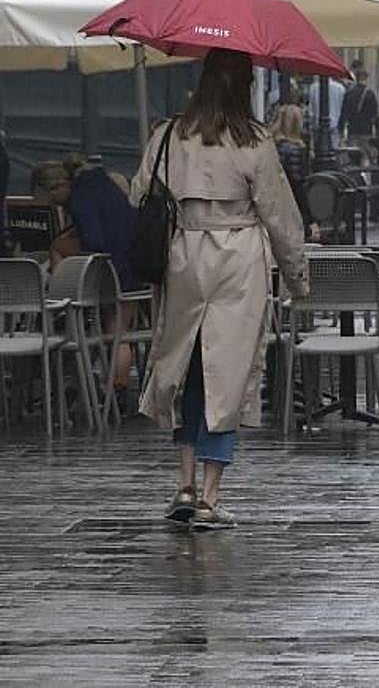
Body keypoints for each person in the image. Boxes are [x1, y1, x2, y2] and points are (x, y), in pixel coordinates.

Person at [131, 49, 308, 531]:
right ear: (246, 86)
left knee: (184, 366)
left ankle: (184, 483)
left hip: (182, 255)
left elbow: (139, 193)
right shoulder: (255, 141)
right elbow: (279, 215)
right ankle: (211, 494)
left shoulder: (168, 134)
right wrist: (297, 278)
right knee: (226, 373)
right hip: (238, 259)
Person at [31, 153, 138, 400]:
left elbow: (95, 241)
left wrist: (68, 250)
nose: (55, 205)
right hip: (134, 264)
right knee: (120, 332)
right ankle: (119, 391)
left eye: (53, 198)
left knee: (58, 246)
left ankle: (60, 296)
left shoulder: (81, 200)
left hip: (113, 270)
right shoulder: (103, 184)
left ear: (60, 186)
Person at [270, 103, 320, 241]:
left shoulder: (269, 146)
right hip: (290, 210)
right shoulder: (297, 150)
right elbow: (299, 188)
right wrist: (310, 221)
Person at [339, 67, 379, 151]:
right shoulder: (370, 94)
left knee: (352, 153)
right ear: (366, 78)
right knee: (365, 153)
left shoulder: (349, 93)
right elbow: (374, 113)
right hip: (366, 129)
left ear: (356, 79)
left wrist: (341, 130)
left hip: (352, 129)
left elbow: (344, 112)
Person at [305, 75, 347, 151]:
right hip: (336, 125)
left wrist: (311, 126)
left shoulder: (313, 88)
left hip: (318, 125)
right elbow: (343, 109)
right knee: (334, 150)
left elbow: (311, 110)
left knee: (319, 150)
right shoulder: (340, 88)